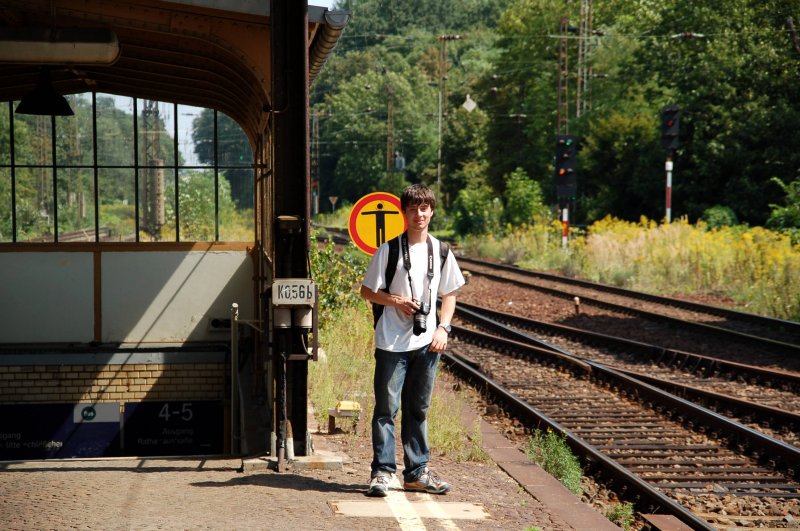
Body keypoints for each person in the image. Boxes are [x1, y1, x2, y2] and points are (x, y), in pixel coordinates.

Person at [359, 183, 466, 497]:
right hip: (392, 343)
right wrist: (395, 301)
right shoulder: (389, 249)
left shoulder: (441, 251)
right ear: (403, 212)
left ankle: (417, 474)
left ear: (431, 211)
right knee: (386, 410)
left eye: (424, 208)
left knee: (418, 410)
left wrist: (443, 328)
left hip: (428, 343)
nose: (419, 214)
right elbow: (367, 291)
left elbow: (451, 294)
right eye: (412, 209)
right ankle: (382, 473)